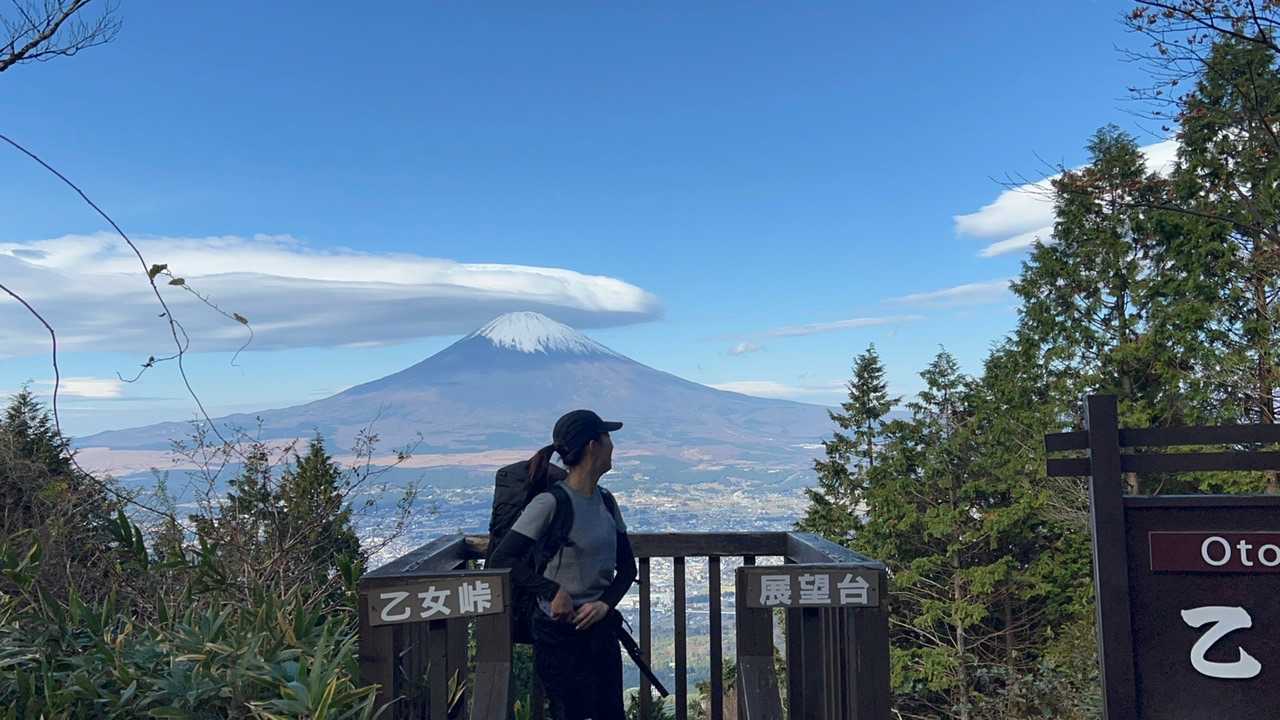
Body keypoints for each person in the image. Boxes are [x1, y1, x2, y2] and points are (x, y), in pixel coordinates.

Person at [489, 409, 638, 720]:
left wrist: (604, 605)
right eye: (607, 437)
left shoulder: (606, 501)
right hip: (557, 632)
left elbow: (627, 569)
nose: (613, 446)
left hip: (600, 630)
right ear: (593, 446)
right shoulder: (550, 503)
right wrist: (553, 591)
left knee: (611, 712)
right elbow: (503, 558)